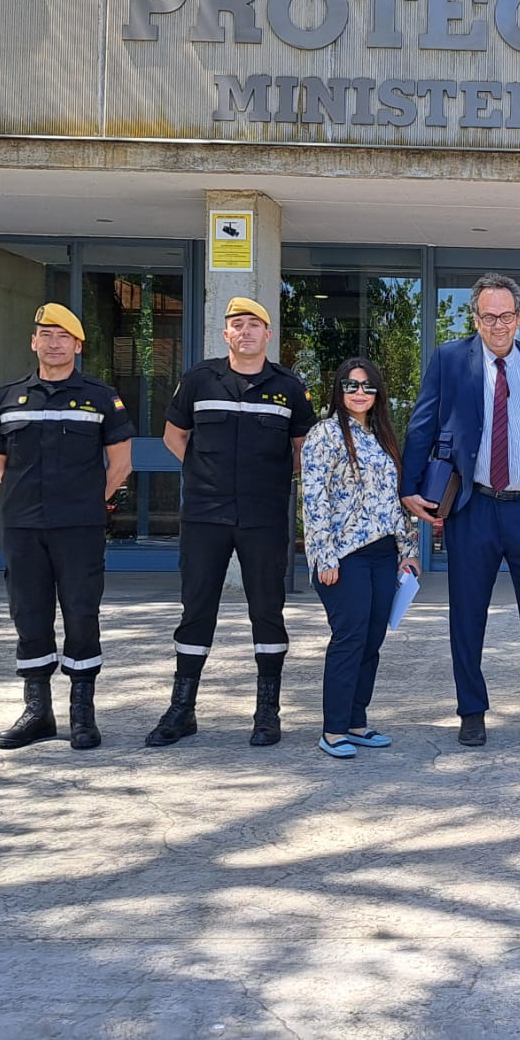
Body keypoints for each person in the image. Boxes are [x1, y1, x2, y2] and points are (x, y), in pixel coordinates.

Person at [400, 273, 520, 748]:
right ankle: (471, 710)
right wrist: (408, 488)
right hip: (474, 508)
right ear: (475, 317)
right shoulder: (450, 360)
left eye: (506, 315)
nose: (498, 324)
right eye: (488, 316)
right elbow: (422, 423)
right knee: (468, 615)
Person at [145, 296, 316, 748]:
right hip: (205, 515)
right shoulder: (201, 379)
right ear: (226, 335)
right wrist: (205, 473)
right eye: (237, 325)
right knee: (197, 609)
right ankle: (182, 709)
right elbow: (173, 435)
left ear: (268, 334)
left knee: (267, 611)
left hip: (263, 516)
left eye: (254, 325)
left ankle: (266, 713)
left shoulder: (289, 387)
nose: (246, 332)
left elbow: (303, 449)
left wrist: (271, 480)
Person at [0, 303, 134, 750]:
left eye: (63, 336)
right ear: (34, 342)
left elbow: (121, 465)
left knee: (82, 615)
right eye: (46, 334)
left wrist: (85, 504)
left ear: (78, 346)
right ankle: (37, 712)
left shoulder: (101, 397)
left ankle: (82, 713)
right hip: (23, 527)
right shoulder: (7, 398)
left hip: (79, 528)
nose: (53, 343)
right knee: (28, 616)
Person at [301, 357, 420, 759]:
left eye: (367, 386)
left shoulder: (383, 436)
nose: (359, 393)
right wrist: (324, 556)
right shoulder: (325, 434)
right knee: (349, 639)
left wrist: (409, 551)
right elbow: (314, 499)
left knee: (372, 640)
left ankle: (357, 722)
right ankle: (333, 730)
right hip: (344, 556)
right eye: (351, 386)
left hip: (384, 555)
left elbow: (395, 501)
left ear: (378, 393)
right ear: (339, 390)